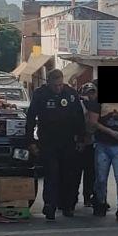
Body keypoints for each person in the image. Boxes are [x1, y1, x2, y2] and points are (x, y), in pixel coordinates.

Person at [25, 69, 86, 221]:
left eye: (60, 85)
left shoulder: (71, 94)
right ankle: (50, 206)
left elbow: (79, 117)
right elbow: (31, 118)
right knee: (51, 174)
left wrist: (81, 139)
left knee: (68, 175)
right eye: (55, 85)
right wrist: (30, 141)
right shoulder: (40, 94)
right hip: (48, 141)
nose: (58, 88)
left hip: (68, 141)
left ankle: (67, 206)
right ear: (49, 83)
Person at [86, 97, 118, 222]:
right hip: (103, 144)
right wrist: (110, 132)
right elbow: (93, 122)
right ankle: (100, 201)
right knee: (101, 178)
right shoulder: (97, 102)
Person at [78, 82, 98, 208]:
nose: (90, 95)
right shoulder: (78, 105)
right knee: (75, 172)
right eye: (87, 93)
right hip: (80, 142)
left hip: (93, 143)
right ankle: (71, 197)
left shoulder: (97, 105)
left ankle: (88, 197)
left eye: (92, 92)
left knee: (91, 172)